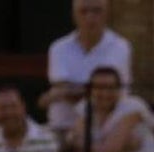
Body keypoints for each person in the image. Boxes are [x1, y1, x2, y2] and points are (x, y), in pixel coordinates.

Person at [40, 0, 133, 144]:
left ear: (107, 14)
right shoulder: (58, 48)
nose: (90, 18)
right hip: (61, 128)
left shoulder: (120, 47)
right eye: (83, 11)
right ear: (74, 15)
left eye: (96, 11)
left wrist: (66, 92)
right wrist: (93, 89)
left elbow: (112, 93)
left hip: (105, 131)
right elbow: (61, 87)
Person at [69, 66, 154, 152]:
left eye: (110, 88)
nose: (105, 93)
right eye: (99, 87)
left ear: (119, 89)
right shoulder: (85, 107)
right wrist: (102, 147)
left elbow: (112, 150)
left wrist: (84, 145)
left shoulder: (133, 106)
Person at [0, 86, 61, 152]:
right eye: (3, 108)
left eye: (13, 107)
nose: (9, 113)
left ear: (23, 108)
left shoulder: (46, 140)